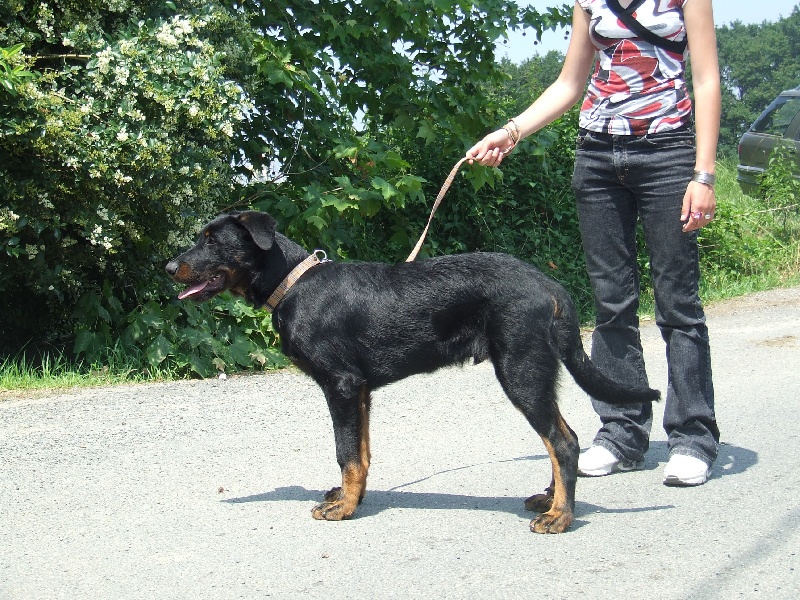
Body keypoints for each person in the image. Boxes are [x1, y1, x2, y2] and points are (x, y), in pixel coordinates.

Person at [467, 0, 720, 486]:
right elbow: (569, 83)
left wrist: (703, 174)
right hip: (598, 157)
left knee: (678, 303)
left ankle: (692, 436)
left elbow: (707, 79)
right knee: (611, 303)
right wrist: (510, 131)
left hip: (668, 152)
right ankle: (622, 433)